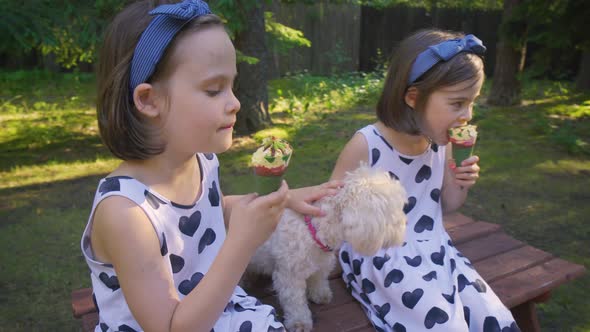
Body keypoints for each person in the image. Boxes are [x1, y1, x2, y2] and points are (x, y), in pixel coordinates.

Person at [81, 1, 339, 331]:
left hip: (218, 309)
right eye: (214, 90)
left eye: (232, 86)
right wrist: (242, 242)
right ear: (148, 100)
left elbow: (205, 213)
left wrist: (277, 202)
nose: (235, 103)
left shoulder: (202, 162)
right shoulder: (125, 212)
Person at [331, 29, 520, 332]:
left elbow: (449, 205)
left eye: (472, 103)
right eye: (457, 104)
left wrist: (460, 182)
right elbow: (333, 210)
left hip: (435, 247)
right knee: (446, 326)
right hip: (380, 254)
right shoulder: (367, 144)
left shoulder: (440, 144)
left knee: (494, 319)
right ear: (413, 97)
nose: (467, 115)